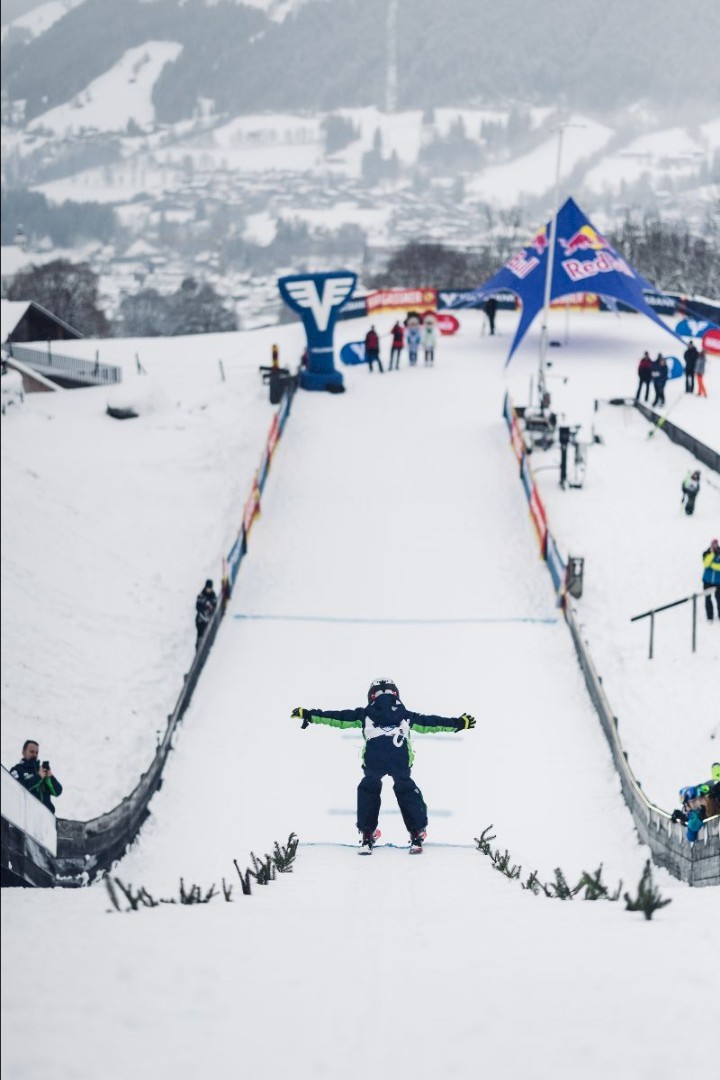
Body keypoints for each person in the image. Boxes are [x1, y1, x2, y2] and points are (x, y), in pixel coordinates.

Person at [291, 677, 475, 852]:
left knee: (369, 788)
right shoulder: (405, 715)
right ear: (395, 694)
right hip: (399, 756)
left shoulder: (364, 714)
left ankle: (367, 833)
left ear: (371, 695)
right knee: (405, 787)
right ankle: (417, 831)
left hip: (374, 758)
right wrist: (459, 723)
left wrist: (309, 715)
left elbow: (336, 718)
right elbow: (433, 723)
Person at [9, 740, 63, 815]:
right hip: (27, 816)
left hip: (47, 817)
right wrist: (38, 777)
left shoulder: (41, 770)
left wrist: (50, 777)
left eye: (36, 752)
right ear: (23, 752)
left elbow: (58, 792)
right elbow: (17, 791)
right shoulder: (17, 770)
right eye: (31, 752)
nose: (34, 754)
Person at [701, 538, 720, 622]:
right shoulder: (706, 553)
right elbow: (706, 564)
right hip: (707, 581)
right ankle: (710, 616)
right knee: (707, 599)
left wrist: (712, 565)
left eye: (715, 544)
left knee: (719, 599)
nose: (714, 546)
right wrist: (712, 554)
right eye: (713, 544)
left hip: (718, 582)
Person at [195, 578, 218, 647]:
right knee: (200, 634)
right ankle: (198, 647)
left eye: (210, 588)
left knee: (207, 634)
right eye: (208, 588)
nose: (209, 590)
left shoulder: (213, 595)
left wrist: (210, 606)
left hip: (208, 618)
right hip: (200, 619)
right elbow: (198, 606)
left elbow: (214, 604)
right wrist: (206, 605)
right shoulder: (202, 595)